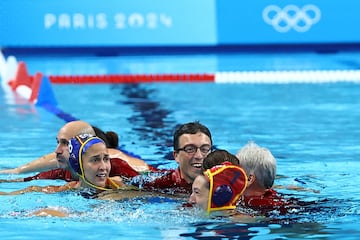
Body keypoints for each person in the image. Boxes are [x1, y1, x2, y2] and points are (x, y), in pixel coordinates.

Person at [0, 121, 151, 183]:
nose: (57, 151)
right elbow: (25, 181)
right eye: (58, 142)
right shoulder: (65, 170)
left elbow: (150, 181)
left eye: (64, 143)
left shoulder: (115, 162)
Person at [0, 134, 125, 196]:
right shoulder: (71, 187)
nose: (103, 166)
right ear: (77, 165)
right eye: (95, 160)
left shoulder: (121, 185)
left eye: (106, 159)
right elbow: (33, 189)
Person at [130, 121, 213, 194]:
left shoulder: (220, 181)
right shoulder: (159, 183)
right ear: (176, 156)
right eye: (190, 149)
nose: (198, 156)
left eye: (204, 149)